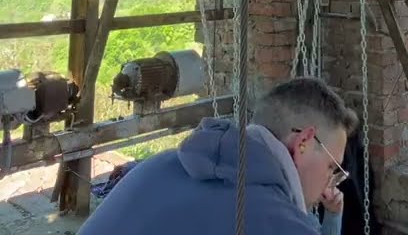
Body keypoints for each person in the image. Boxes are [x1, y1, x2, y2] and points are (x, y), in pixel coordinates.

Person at [80, 76, 358, 235]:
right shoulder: (277, 222)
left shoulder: (157, 165)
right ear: (304, 142)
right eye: (332, 167)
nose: (331, 181)